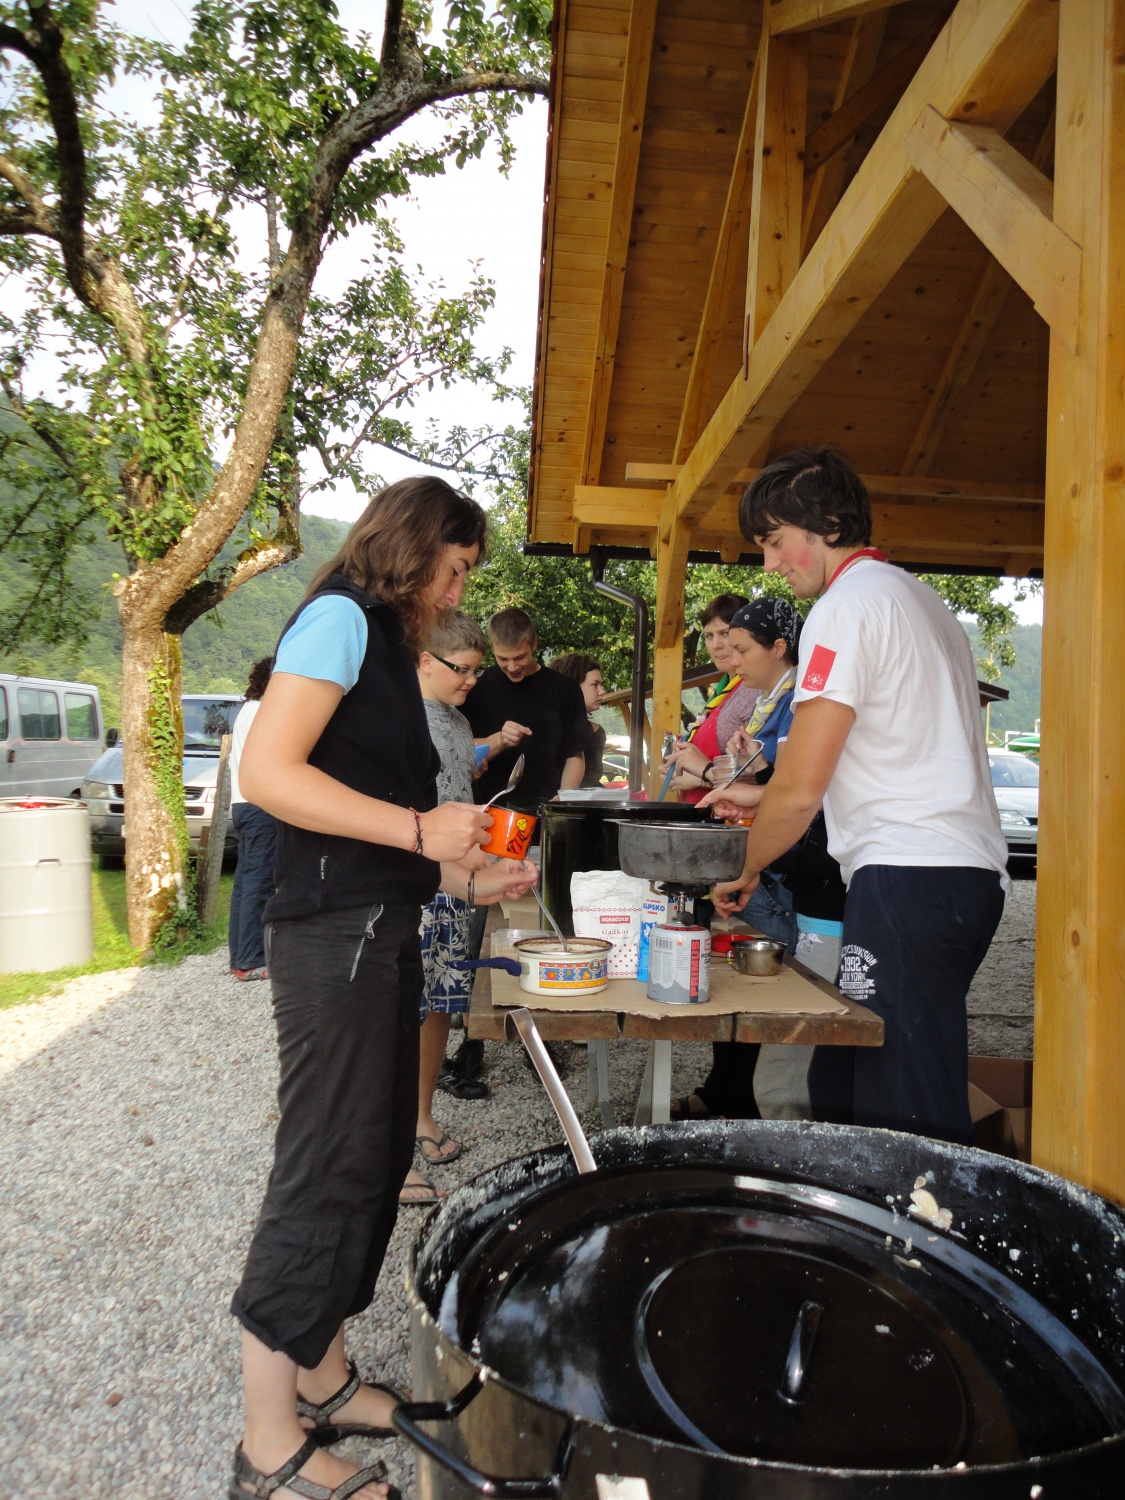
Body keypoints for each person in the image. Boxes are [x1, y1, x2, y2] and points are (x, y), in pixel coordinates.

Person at [229, 477, 538, 1500]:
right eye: (455, 570)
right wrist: (417, 833)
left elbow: (377, 815)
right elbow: (267, 774)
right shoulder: (336, 619)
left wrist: (465, 873)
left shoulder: (383, 651)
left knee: (371, 1163)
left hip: (380, 922)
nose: (456, 595)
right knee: (323, 1169)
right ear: (415, 548)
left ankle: (322, 1377)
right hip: (330, 935)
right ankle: (268, 1446)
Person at [705, 447, 1008, 1146]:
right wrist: (761, 803)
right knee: (838, 1086)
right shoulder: (913, 598)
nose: (769, 565)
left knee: (903, 1112)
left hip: (911, 876)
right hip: (946, 876)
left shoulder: (845, 609)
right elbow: (884, 752)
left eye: (774, 542)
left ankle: (923, 1247)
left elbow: (802, 784)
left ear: (829, 524)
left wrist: (745, 866)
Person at [671, 596, 806, 1121]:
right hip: (756, 848)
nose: (728, 652)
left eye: (738, 644)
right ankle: (732, 1094)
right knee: (742, 977)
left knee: (770, 988)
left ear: (778, 648)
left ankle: (759, 1111)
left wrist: (710, 777)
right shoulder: (766, 696)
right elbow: (757, 773)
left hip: (776, 857)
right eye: (717, 639)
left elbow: (788, 788)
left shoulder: (791, 697)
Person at [400, 610, 491, 1208]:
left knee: (437, 1007)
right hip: (411, 885)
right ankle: (387, 1153)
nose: (470, 682)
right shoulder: (399, 720)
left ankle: (421, 1117)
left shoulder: (457, 721)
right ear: (426, 661)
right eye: (462, 670)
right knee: (396, 1012)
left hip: (455, 885)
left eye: (476, 673)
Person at [463, 607, 590, 813]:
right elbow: (465, 750)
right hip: (490, 813)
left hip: (547, 813)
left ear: (534, 644)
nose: (512, 667)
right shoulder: (475, 688)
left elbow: (575, 754)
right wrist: (500, 740)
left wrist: (564, 800)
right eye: (503, 659)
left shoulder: (565, 689)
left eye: (520, 657)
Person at [662, 593, 758, 801]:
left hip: (729, 817)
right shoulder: (722, 689)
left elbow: (760, 772)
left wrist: (701, 777)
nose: (716, 645)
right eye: (708, 636)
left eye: (725, 633)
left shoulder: (754, 688)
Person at [227, 656, 276, 982]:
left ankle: (238, 955)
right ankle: (251, 960)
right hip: (260, 805)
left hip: (241, 804)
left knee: (245, 882)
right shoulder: (265, 713)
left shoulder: (247, 710)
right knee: (258, 883)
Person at [550, 651, 607, 786]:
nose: (602, 691)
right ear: (572, 686)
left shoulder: (596, 731)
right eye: (595, 684)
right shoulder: (548, 728)